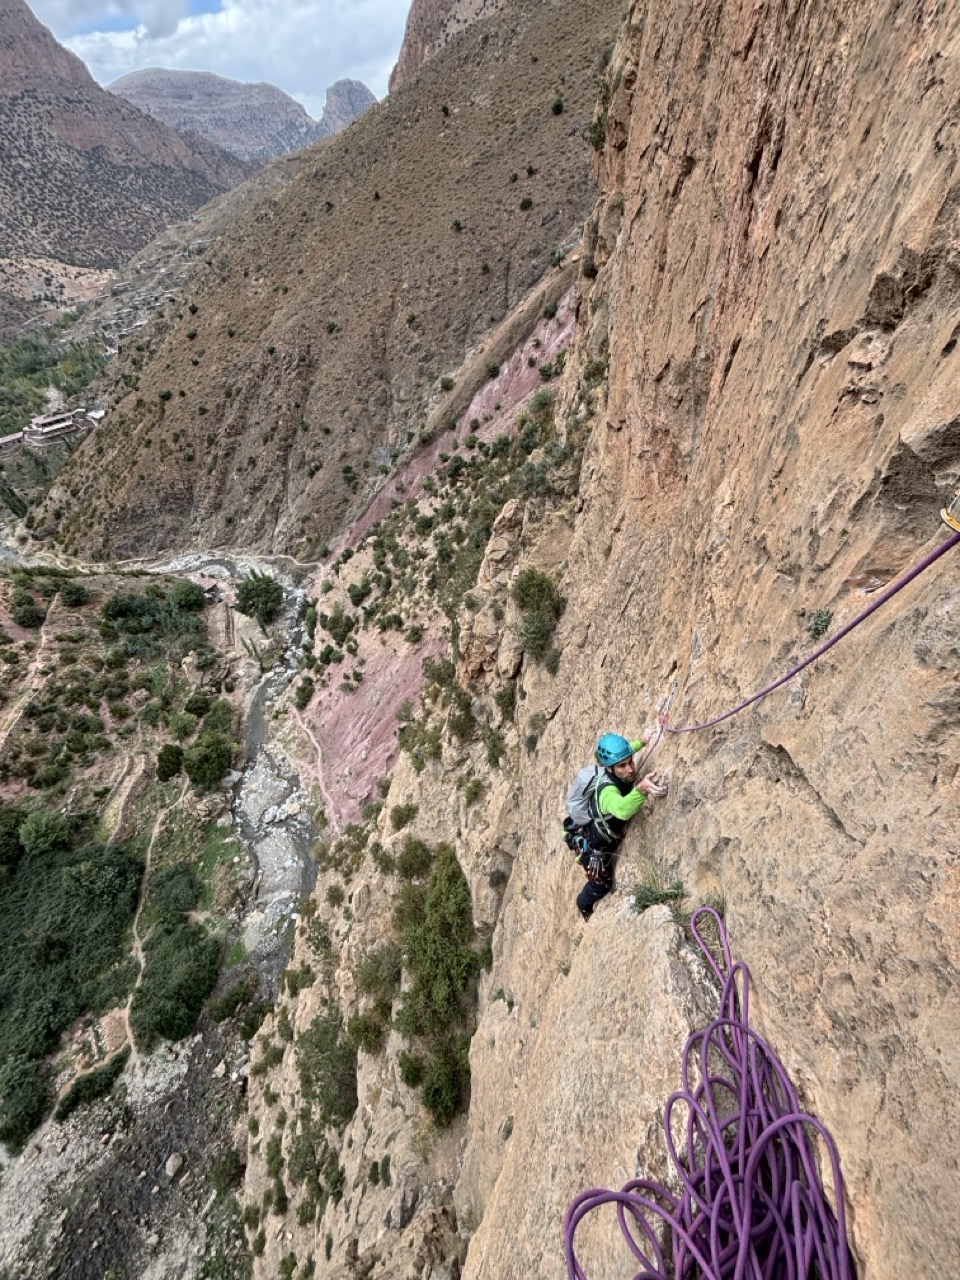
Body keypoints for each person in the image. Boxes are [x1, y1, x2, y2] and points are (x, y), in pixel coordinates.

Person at [564, 733, 667, 921]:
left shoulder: (616, 767)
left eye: (631, 762)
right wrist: (641, 790)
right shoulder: (608, 792)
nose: (630, 769)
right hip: (597, 845)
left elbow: (625, 755)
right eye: (622, 766)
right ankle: (583, 904)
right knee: (601, 885)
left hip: (602, 833)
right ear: (609, 769)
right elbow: (621, 810)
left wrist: (641, 742)